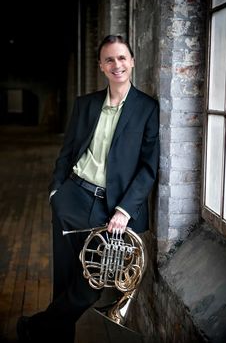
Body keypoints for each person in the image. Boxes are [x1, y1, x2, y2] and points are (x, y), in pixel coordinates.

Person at [17, 35, 159, 343]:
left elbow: (149, 167)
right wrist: (57, 193)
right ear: (101, 67)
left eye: (122, 58)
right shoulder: (86, 104)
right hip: (73, 199)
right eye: (109, 59)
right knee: (65, 278)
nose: (116, 64)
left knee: (91, 285)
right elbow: (67, 152)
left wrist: (124, 209)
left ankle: (35, 327)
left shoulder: (147, 108)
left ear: (132, 61)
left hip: (113, 210)